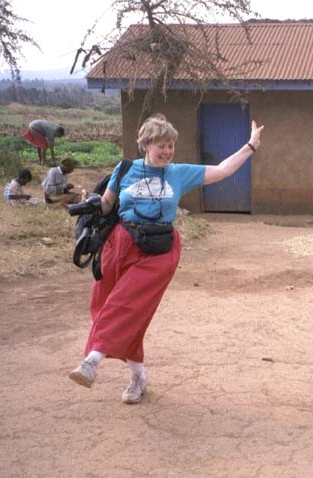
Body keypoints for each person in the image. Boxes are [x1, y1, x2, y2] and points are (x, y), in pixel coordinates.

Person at [68, 113, 264, 405]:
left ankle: (92, 360)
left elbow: (223, 170)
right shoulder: (124, 169)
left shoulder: (179, 172)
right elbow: (108, 204)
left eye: (171, 145)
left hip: (158, 248)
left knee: (125, 302)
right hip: (120, 244)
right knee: (107, 305)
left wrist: (250, 145)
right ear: (145, 145)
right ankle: (137, 378)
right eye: (162, 145)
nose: (168, 151)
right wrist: (90, 202)